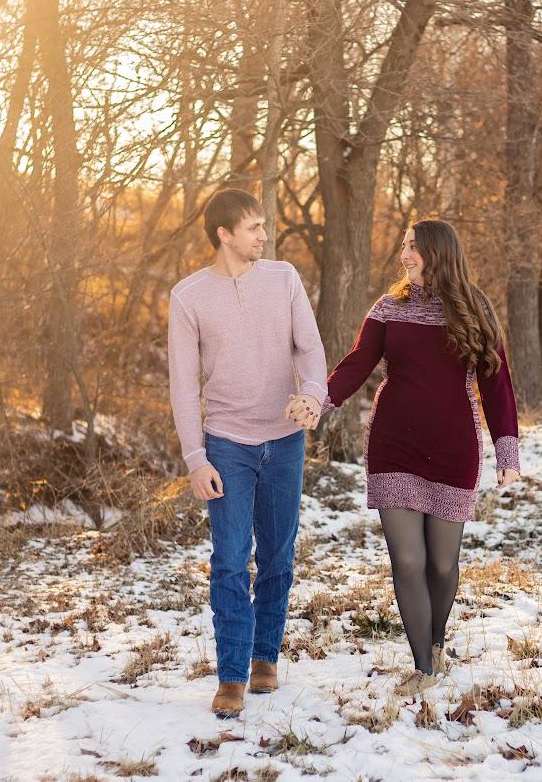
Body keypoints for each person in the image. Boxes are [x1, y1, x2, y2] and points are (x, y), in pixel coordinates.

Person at [287, 220, 521, 697]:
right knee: (408, 560)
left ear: (438, 252)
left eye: (413, 246)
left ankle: (436, 643)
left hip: (454, 449)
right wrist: (318, 400)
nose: (405, 254)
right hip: (393, 446)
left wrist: (507, 451)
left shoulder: (475, 308)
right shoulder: (389, 307)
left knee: (442, 565)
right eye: (404, 246)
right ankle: (423, 667)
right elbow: (357, 362)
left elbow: (496, 384)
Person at [167, 189, 327, 718]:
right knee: (231, 560)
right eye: (253, 227)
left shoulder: (284, 279)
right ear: (224, 234)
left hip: (285, 439)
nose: (264, 234)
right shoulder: (188, 297)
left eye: (263, 225)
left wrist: (312, 394)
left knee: (278, 554)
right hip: (227, 445)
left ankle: (265, 658)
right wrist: (195, 458)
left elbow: (310, 349)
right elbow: (182, 385)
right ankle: (232, 674)